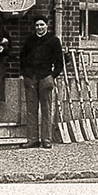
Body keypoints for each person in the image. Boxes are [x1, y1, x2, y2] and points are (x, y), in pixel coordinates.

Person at [19, 14, 63, 149]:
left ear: (46, 25)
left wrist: (52, 76)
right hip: (31, 77)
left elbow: (59, 62)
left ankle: (46, 139)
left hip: (45, 77)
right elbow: (22, 58)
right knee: (31, 109)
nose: (39, 27)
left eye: (42, 25)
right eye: (37, 25)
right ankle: (32, 139)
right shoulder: (29, 40)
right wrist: (24, 74)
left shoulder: (53, 40)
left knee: (46, 109)